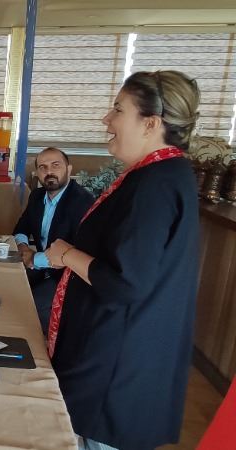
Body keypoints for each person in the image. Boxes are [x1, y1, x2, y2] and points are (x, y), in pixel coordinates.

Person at [43, 71, 201, 450]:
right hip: (119, 354)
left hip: (116, 368)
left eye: (118, 109)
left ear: (150, 124)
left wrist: (66, 254)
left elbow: (125, 282)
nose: (106, 119)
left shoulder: (155, 185)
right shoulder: (161, 174)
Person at [12, 147, 93, 333]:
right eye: (43, 167)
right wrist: (23, 247)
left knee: (32, 305)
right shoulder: (37, 196)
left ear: (69, 169)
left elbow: (78, 251)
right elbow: (21, 227)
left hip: (70, 275)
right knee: (8, 287)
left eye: (55, 165)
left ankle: (44, 346)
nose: (49, 171)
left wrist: (34, 259)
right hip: (43, 267)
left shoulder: (82, 202)